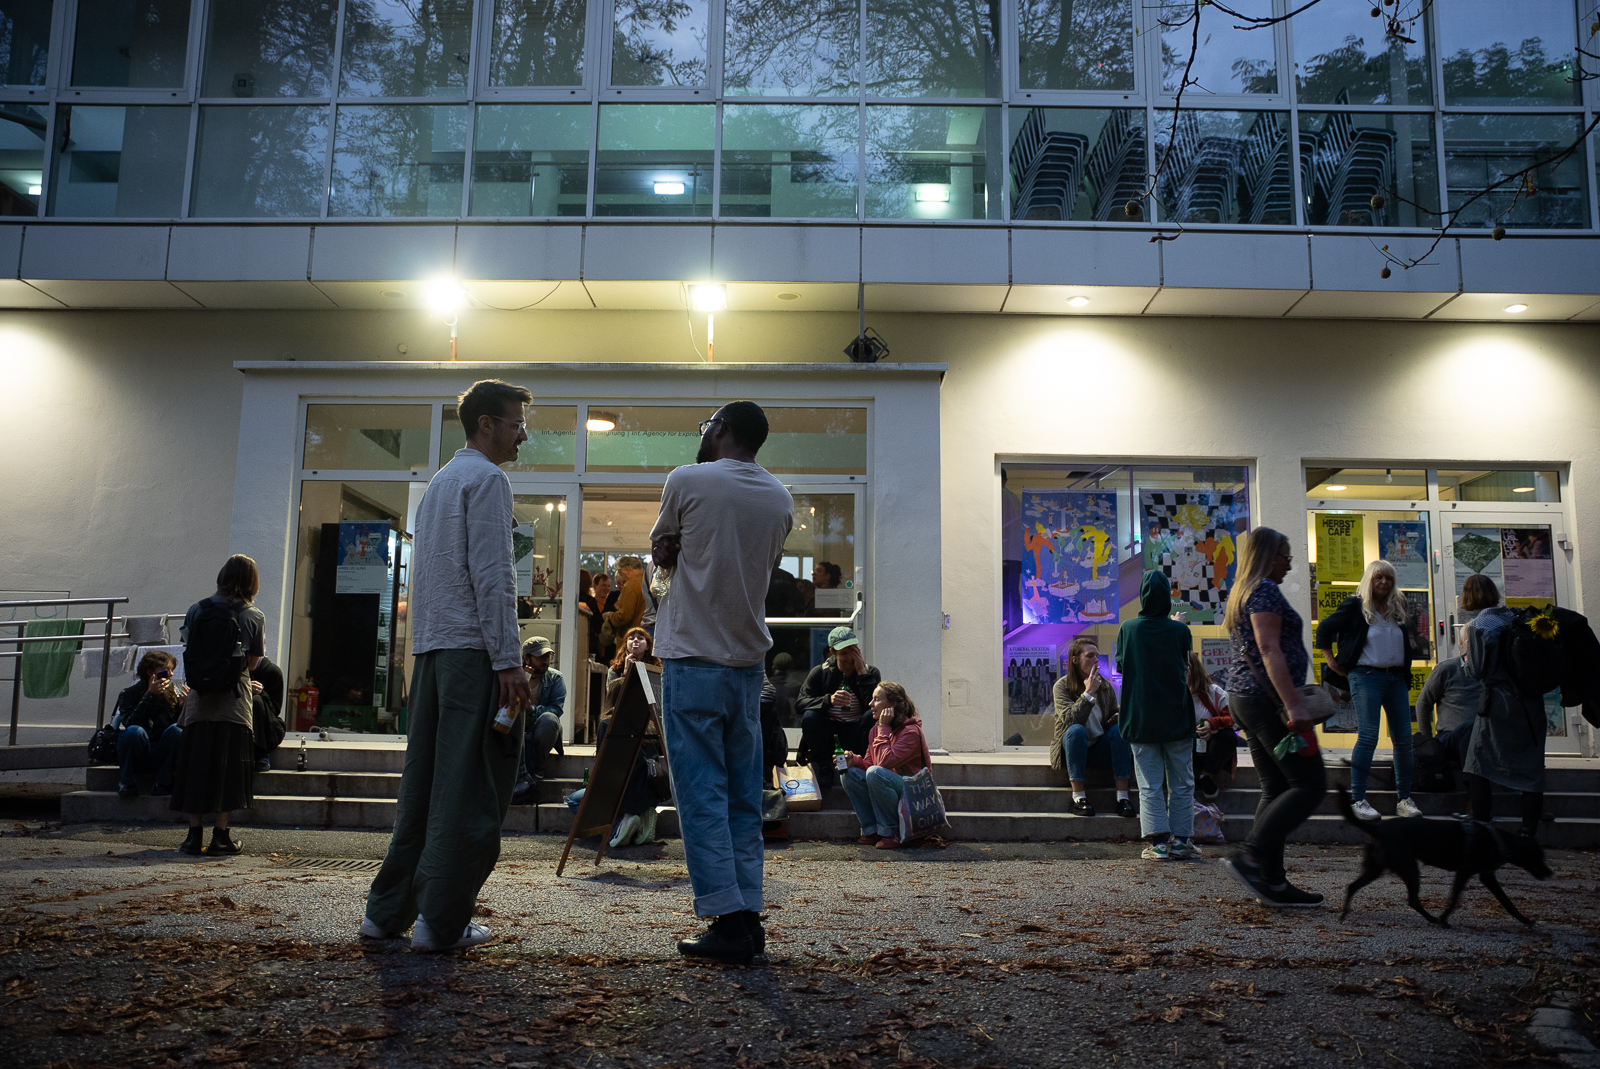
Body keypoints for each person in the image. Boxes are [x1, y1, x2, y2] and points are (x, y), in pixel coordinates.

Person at [362, 379, 535, 952]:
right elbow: (494, 574)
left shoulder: (439, 483)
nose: (523, 435)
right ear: (486, 424)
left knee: (424, 788)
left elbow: (434, 576)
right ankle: (440, 921)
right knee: (472, 789)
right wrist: (508, 660)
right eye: (516, 424)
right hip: (473, 655)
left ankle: (386, 913)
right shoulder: (489, 480)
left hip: (432, 653)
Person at [650, 400, 793, 965]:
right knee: (741, 795)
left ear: (723, 429)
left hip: (692, 656)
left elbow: (662, 553)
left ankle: (726, 919)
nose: (703, 433)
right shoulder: (780, 498)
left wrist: (667, 553)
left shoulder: (686, 480)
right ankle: (748, 913)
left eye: (707, 426)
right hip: (747, 664)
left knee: (700, 793)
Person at [1222, 528, 1326, 908]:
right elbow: (1268, 648)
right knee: (1310, 784)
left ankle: (1273, 882)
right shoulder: (1263, 589)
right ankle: (1250, 856)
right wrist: (1294, 704)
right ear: (1268, 556)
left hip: (1247, 698)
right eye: (1286, 556)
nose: (1290, 564)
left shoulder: (1244, 591)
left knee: (1276, 788)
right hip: (1265, 701)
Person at [170, 554, 266, 857]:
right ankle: (221, 836)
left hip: (199, 701)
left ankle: (192, 836)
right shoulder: (253, 616)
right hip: (233, 703)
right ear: (252, 582)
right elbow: (253, 663)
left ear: (222, 575)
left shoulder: (197, 609)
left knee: (195, 767)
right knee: (229, 770)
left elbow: (188, 649)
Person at [1315, 559, 1426, 820]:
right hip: (1366, 675)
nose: (1384, 582)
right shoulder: (1356, 606)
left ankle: (1404, 798)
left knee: (1404, 739)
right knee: (1368, 736)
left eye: (1388, 578)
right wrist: (1332, 662)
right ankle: (1358, 799)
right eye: (1379, 577)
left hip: (1396, 677)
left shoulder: (1397, 608)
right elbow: (1325, 629)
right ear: (1369, 580)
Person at [1116, 570, 1199, 862]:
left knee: (1149, 784)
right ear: (1168, 597)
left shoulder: (1128, 628)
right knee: (1183, 782)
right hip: (1176, 715)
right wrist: (1177, 625)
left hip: (1140, 716)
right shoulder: (1181, 631)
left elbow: (1122, 665)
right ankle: (1182, 842)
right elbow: (1184, 663)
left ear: (1142, 595)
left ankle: (1159, 844)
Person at [1459, 575, 1548, 838]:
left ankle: (1482, 829)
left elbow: (1476, 671)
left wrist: (1465, 656)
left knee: (1478, 765)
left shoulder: (1479, 626)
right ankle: (1528, 832)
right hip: (1531, 704)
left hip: (1498, 703)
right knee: (1532, 770)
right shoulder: (1518, 617)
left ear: (1469, 596)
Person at [1050, 636, 1135, 818]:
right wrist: (1088, 693)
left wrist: (1118, 716)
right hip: (1072, 747)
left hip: (1098, 747)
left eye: (1097, 656)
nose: (1096, 660)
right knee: (1076, 730)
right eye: (1090, 656)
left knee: (1120, 731)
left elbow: (1113, 711)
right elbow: (1071, 719)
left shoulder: (1105, 686)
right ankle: (1078, 797)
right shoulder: (1062, 686)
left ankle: (1123, 798)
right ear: (1075, 660)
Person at [597, 628, 665, 847]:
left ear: (648, 645)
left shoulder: (656, 668)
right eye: (631, 638)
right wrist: (626, 674)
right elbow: (613, 700)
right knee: (575, 800)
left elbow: (655, 702)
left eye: (640, 638)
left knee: (634, 766)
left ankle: (626, 819)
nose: (635, 641)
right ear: (625, 644)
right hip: (622, 723)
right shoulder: (615, 670)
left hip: (647, 726)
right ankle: (644, 813)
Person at [840, 683, 930, 849]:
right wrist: (853, 760)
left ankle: (892, 832)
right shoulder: (876, 730)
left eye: (876, 700)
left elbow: (883, 762)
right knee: (849, 773)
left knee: (876, 773)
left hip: (913, 791)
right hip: (891, 787)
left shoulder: (910, 731)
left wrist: (883, 728)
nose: (870, 704)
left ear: (892, 704)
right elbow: (870, 763)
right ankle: (872, 830)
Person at [794, 626, 881, 787]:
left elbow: (877, 707)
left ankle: (862, 764)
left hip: (857, 732)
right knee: (810, 717)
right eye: (844, 653)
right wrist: (829, 700)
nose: (850, 658)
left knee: (872, 716)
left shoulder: (870, 672)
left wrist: (862, 674)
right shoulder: (820, 672)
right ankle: (824, 766)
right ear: (833, 652)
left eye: (853, 651)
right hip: (830, 734)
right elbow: (800, 703)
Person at [115, 650, 185, 800]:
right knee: (134, 731)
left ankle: (163, 782)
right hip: (140, 750)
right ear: (150, 672)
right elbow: (130, 722)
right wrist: (149, 696)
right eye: (165, 670)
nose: (171, 674)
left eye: (172, 670)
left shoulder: (172, 693)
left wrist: (183, 708)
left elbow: (176, 727)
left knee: (176, 730)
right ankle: (126, 783)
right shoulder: (129, 694)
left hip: (162, 750)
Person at [1414, 632, 1483, 770]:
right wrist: (1428, 743)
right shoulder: (1446, 669)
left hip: (1484, 734)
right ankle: (1473, 780)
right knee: (1469, 729)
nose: (1477, 645)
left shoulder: (1490, 672)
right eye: (1472, 640)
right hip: (1451, 736)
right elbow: (1423, 704)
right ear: (1461, 644)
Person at [510, 636, 567, 804]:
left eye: (547, 656)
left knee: (550, 719)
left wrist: (531, 709)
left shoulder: (555, 678)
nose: (545, 661)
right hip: (517, 724)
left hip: (540, 725)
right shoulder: (514, 676)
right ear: (526, 658)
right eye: (540, 657)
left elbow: (556, 709)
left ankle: (538, 770)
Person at [1187, 652, 1236, 801]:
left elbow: (1232, 719)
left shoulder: (1214, 692)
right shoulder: (1172, 694)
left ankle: (1205, 776)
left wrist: (1211, 724)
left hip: (1208, 752)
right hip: (1183, 751)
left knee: (1229, 736)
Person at [249, 654, 286, 772]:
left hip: (267, 727)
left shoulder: (273, 672)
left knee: (256, 701)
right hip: (242, 721)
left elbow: (275, 710)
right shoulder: (237, 671)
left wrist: (261, 693)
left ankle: (261, 755)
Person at [603, 556, 646, 641]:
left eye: (621, 573)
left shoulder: (630, 586)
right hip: (645, 635)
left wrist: (610, 616)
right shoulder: (648, 581)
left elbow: (624, 617)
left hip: (631, 636)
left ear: (627, 569)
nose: (622, 577)